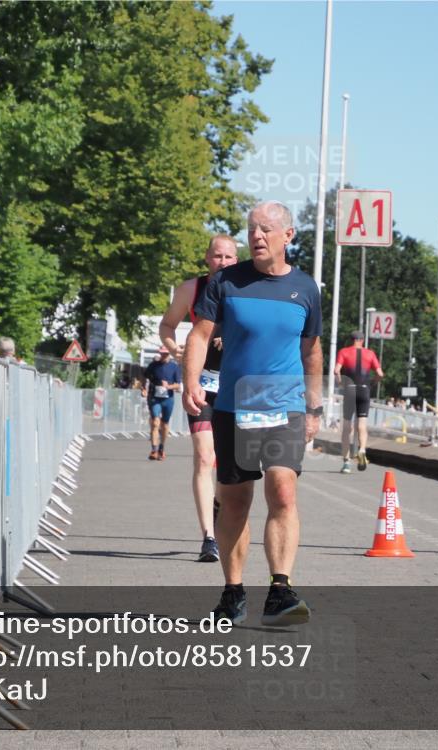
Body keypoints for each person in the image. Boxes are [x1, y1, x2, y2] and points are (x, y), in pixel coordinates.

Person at [183, 201, 322, 627]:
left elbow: (311, 351)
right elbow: (200, 335)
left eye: (265, 229)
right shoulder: (226, 281)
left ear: (288, 236)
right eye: (251, 229)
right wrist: (191, 381)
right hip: (234, 406)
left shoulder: (305, 288)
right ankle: (233, 592)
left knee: (283, 492)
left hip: (285, 405)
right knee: (236, 501)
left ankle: (280, 590)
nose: (257, 236)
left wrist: (314, 406)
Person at [159, 234, 239, 563]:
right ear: (207, 258)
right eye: (217, 256)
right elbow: (167, 325)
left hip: (235, 385)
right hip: (202, 383)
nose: (223, 262)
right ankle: (209, 537)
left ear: (237, 260)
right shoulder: (191, 289)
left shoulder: (246, 289)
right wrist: (175, 348)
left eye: (229, 257)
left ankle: (218, 505)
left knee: (229, 463)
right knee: (205, 456)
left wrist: (231, 338)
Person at [334, 331, 383, 473]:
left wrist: (340, 383)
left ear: (352, 340)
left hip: (349, 390)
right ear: (362, 340)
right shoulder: (370, 354)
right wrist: (373, 383)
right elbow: (380, 374)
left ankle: (346, 463)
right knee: (362, 424)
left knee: (346, 427)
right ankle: (362, 450)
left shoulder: (344, 352)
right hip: (364, 390)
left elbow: (336, 370)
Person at [142, 347, 181, 460]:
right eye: (162, 354)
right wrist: (143, 388)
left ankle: (161, 448)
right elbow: (144, 377)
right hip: (154, 398)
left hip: (168, 399)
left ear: (169, 354)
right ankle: (154, 450)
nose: (163, 356)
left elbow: (178, 385)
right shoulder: (153, 365)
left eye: (166, 354)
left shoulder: (174, 367)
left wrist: (168, 386)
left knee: (165, 424)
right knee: (155, 422)